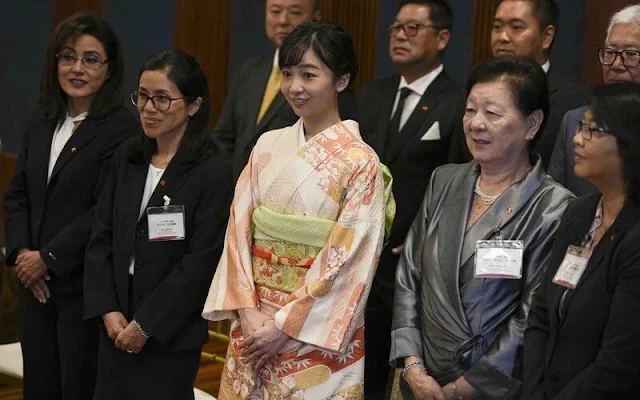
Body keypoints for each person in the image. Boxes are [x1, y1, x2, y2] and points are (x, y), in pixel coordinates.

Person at [203, 21, 392, 399]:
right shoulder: (268, 145)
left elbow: (351, 259)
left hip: (315, 334)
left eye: (309, 74)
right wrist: (248, 311)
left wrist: (284, 325)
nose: (294, 87)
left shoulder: (361, 162)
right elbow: (239, 229)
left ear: (341, 80)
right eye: (287, 74)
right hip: (253, 322)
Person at [391, 57, 573, 400]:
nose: (475, 124)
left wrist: (462, 389)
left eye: (492, 113)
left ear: (532, 123)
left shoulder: (554, 207)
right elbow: (409, 275)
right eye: (470, 110)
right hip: (419, 379)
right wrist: (413, 366)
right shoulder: (443, 181)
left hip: (489, 387)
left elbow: (531, 317)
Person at [3, 12, 138, 400]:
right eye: (68, 57)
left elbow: (103, 210)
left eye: (91, 58)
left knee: (76, 387)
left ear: (109, 69)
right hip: (35, 286)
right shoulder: (43, 120)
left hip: (81, 288)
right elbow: (17, 195)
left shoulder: (121, 128)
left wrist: (47, 257)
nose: (77, 68)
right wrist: (22, 256)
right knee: (40, 387)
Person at [83, 49, 233, 399]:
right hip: (115, 321)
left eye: (162, 99)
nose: (149, 108)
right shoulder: (129, 157)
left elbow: (200, 262)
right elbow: (101, 236)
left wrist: (146, 325)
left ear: (194, 105)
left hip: (169, 331)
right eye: (143, 96)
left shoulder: (213, 171)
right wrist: (108, 310)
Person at [355, 1, 463, 396]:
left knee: (405, 372)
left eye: (413, 28)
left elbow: (456, 184)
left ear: (442, 38)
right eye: (396, 28)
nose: (400, 35)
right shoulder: (373, 93)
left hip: (414, 262)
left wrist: (423, 239)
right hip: (362, 253)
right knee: (360, 368)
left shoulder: (458, 99)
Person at [522, 83, 640, 399]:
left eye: (591, 130)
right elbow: (541, 314)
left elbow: (620, 362)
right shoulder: (579, 211)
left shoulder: (635, 237)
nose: (576, 139)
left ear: (630, 143)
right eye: (580, 127)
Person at [213, 0, 355, 180]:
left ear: (315, 17)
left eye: (295, 12)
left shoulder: (330, 85)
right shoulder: (248, 70)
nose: (283, 21)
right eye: (275, 11)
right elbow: (223, 138)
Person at [448, 0, 585, 169]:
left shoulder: (572, 102)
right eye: (497, 27)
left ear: (547, 36)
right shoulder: (474, 94)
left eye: (516, 28)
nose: (502, 37)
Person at [548, 4, 640, 196]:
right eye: (610, 52)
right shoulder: (574, 123)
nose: (616, 65)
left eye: (630, 55)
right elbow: (552, 204)